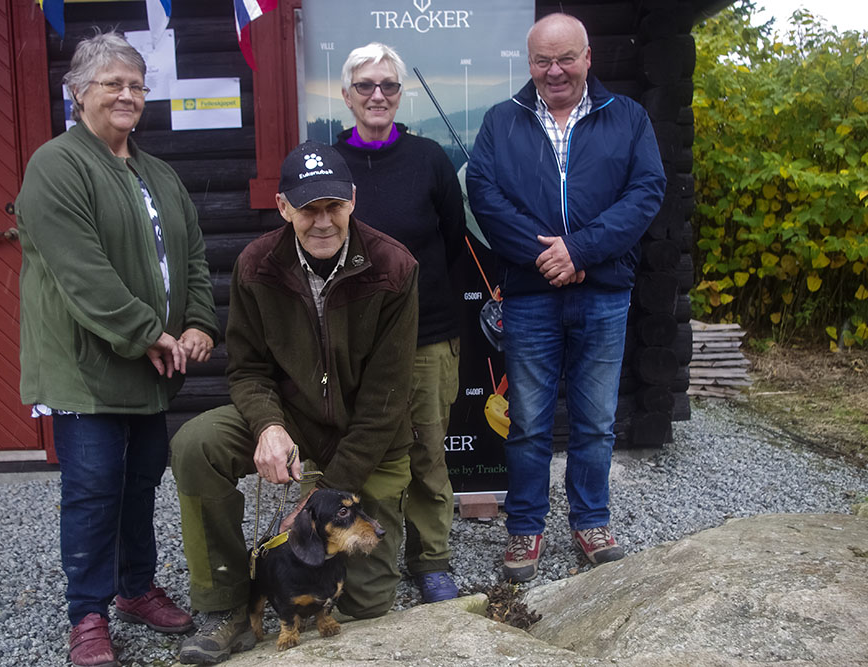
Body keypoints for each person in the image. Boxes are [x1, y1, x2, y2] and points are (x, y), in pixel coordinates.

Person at [15, 32, 220, 667]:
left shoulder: (157, 172)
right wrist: (146, 333)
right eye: (113, 84)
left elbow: (190, 258)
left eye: (136, 84)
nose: (128, 95)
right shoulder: (56, 165)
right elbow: (83, 272)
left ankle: (134, 589)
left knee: (138, 483)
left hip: (151, 366)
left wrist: (197, 324)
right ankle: (88, 613)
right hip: (87, 368)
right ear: (78, 94)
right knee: (93, 489)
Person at [170, 141, 419, 665]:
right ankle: (226, 603)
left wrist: (322, 494)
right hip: (292, 420)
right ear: (284, 207)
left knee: (368, 603)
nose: (323, 221)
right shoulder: (256, 265)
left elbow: (387, 398)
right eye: (308, 209)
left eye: (334, 206)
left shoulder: (394, 267)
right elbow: (248, 368)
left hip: (368, 439)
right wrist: (267, 426)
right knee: (197, 444)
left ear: (353, 200)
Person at [465, 13, 666, 582]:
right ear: (529, 63)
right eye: (542, 61)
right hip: (530, 296)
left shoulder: (627, 117)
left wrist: (581, 251)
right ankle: (526, 528)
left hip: (603, 293)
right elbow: (484, 193)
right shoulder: (502, 121)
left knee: (595, 420)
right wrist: (548, 257)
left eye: (565, 58)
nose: (554, 71)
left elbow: (646, 191)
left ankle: (591, 519)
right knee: (527, 421)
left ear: (587, 58)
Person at [332, 42, 466, 603]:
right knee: (364, 453)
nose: (378, 95)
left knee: (429, 454)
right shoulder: (328, 161)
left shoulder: (430, 158)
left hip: (426, 335)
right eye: (365, 86)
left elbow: (455, 241)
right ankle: (363, 555)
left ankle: (431, 559)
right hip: (349, 343)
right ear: (347, 96)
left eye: (388, 84)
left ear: (401, 91)